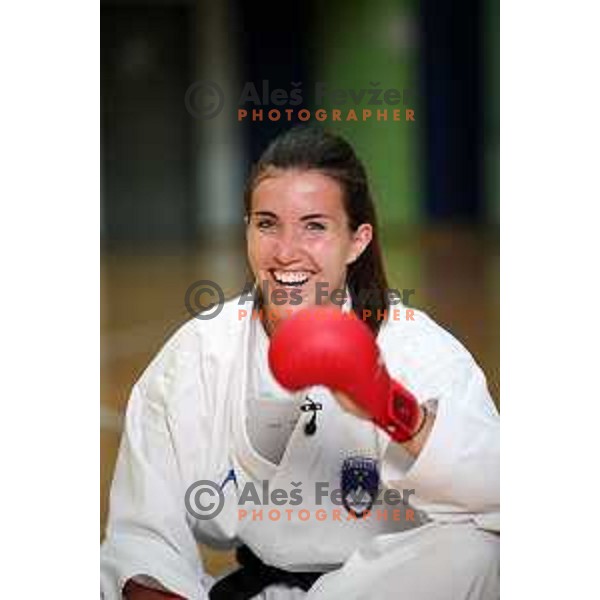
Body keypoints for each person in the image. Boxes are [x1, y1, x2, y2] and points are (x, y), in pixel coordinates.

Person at [100, 127, 500, 600]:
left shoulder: (416, 348)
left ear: (357, 241)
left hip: (379, 590)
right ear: (247, 229)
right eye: (267, 224)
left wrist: (393, 408)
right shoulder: (200, 352)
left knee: (480, 554)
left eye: (314, 226)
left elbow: (502, 495)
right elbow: (142, 537)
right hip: (248, 592)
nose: (286, 251)